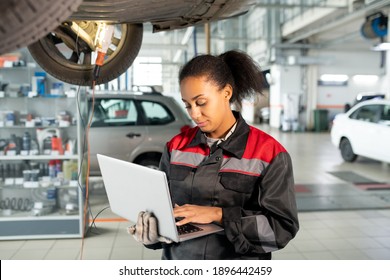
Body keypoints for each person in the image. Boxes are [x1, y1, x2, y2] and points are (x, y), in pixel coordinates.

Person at [128, 50, 299, 260]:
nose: (194, 114)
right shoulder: (176, 147)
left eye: (201, 102)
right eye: (187, 105)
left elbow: (281, 229)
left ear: (226, 93)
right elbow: (164, 211)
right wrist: (152, 234)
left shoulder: (269, 153)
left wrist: (219, 215)